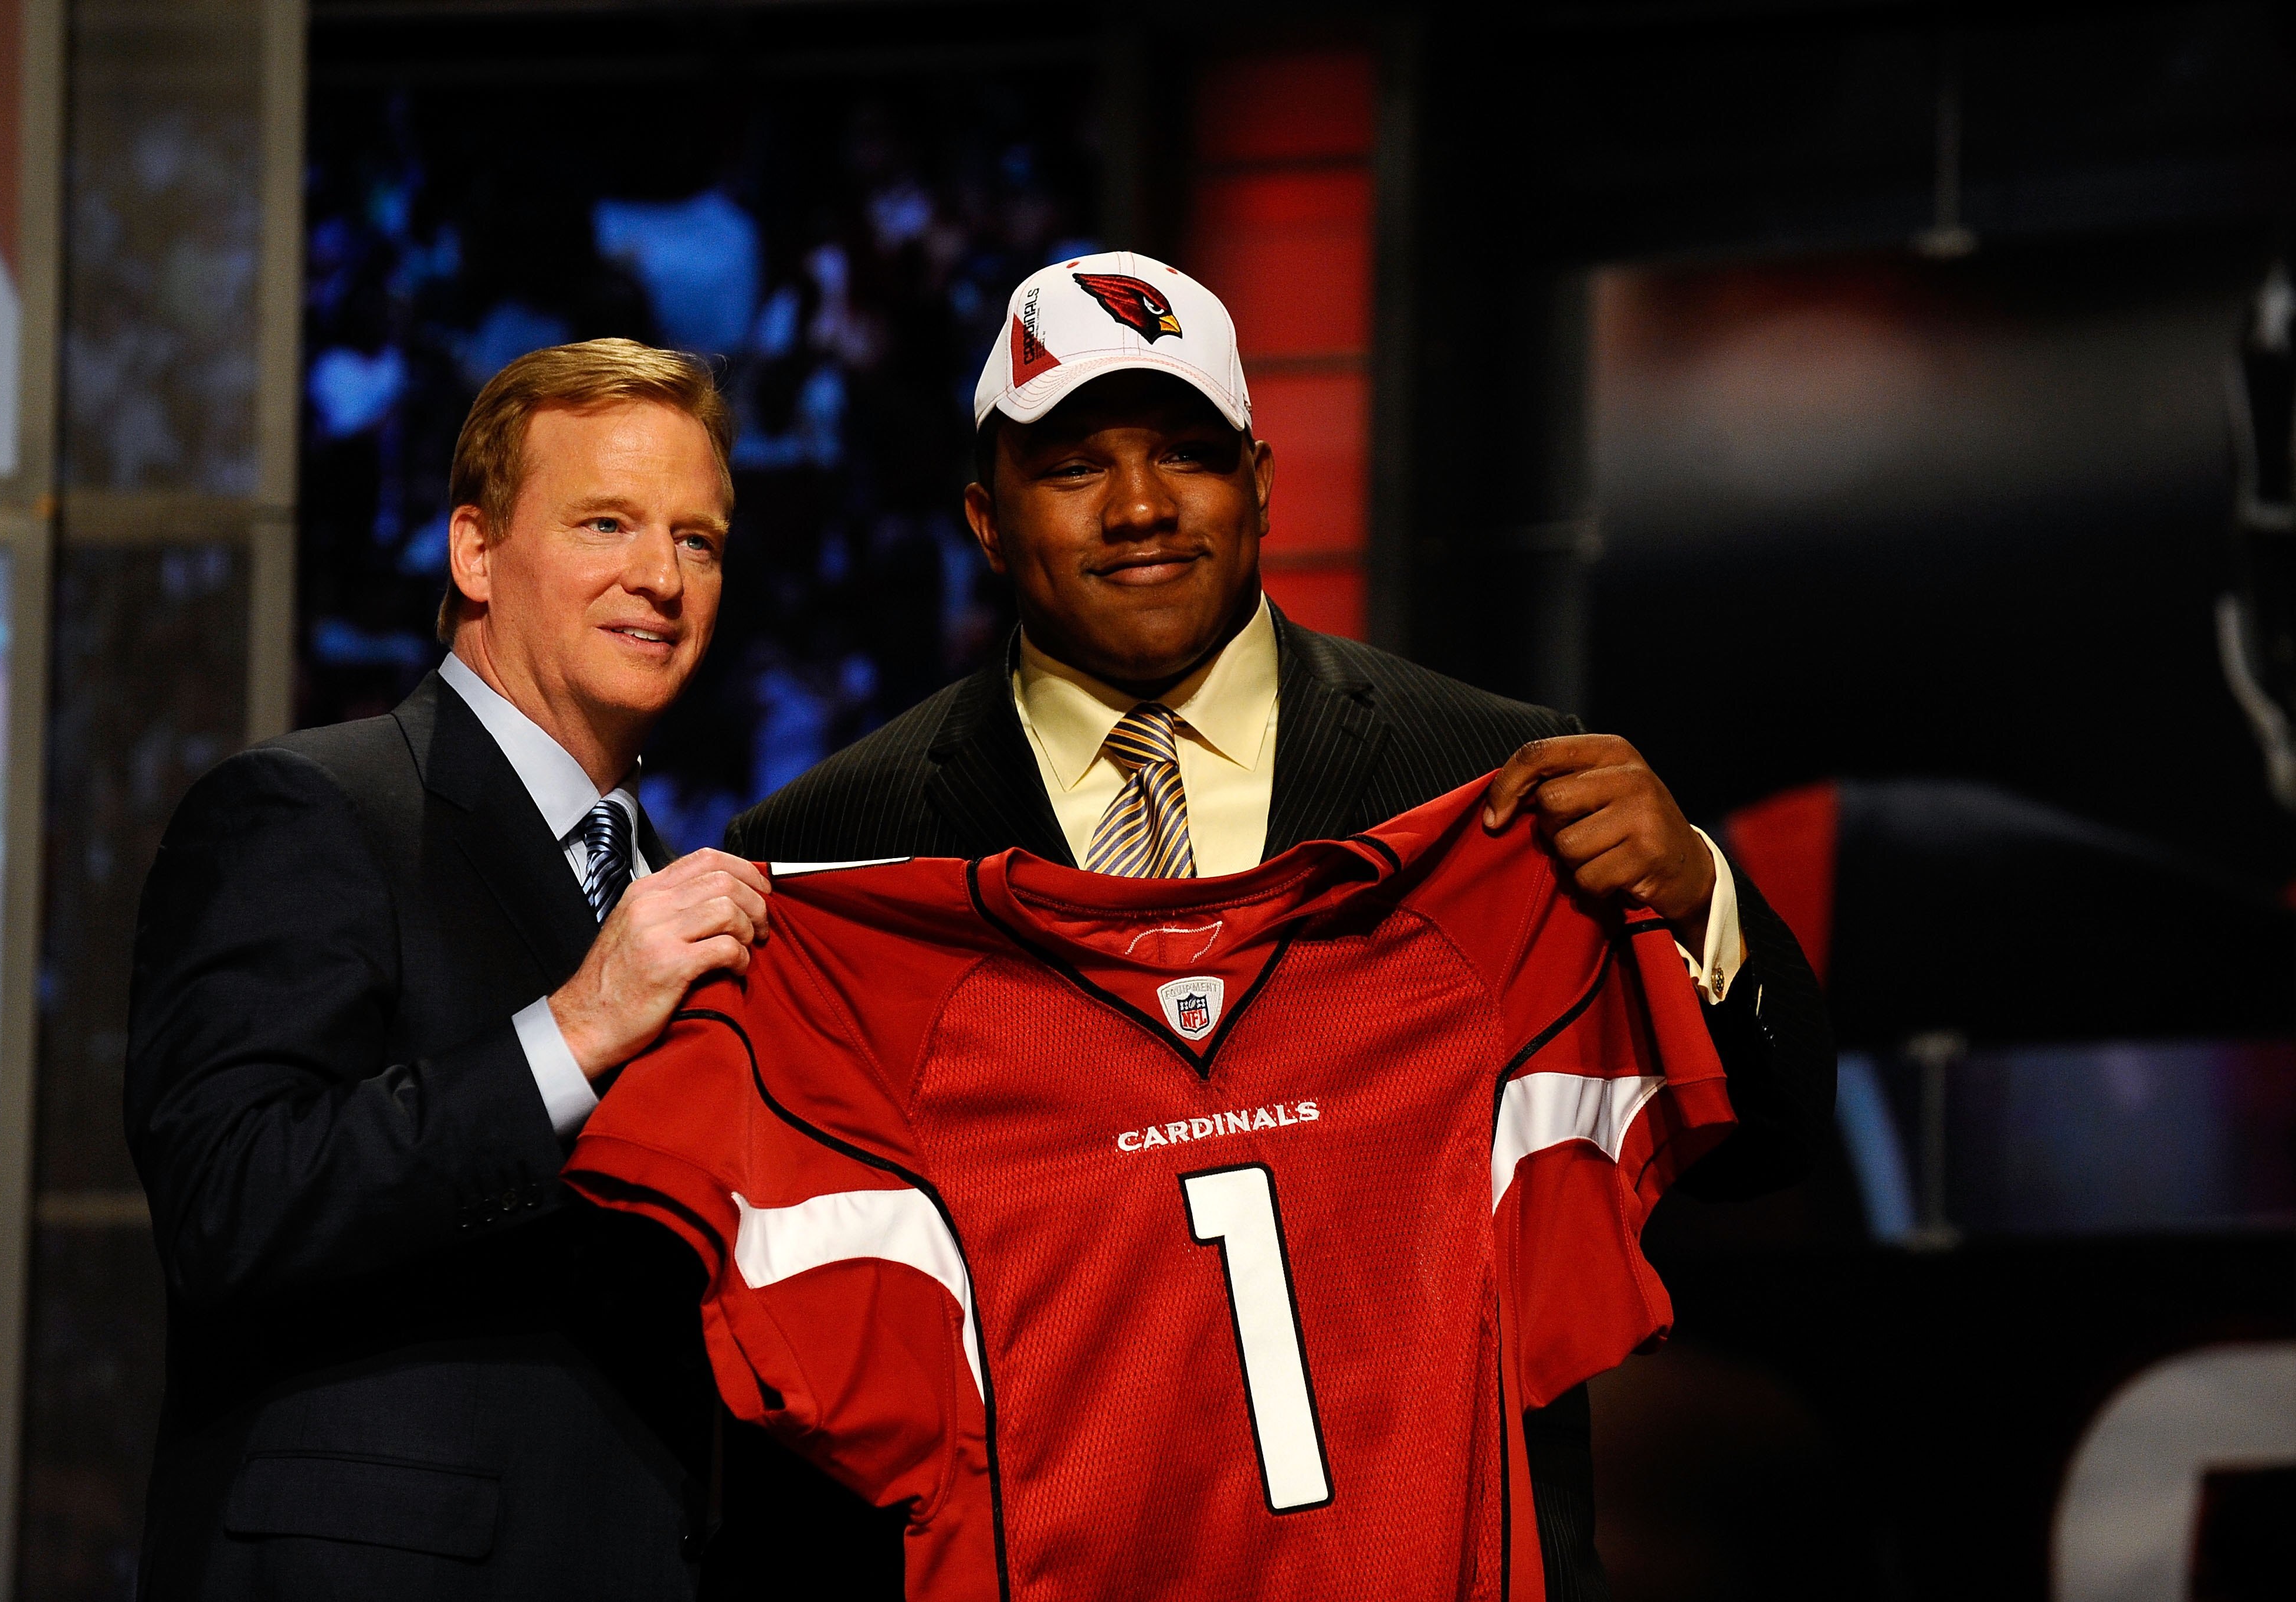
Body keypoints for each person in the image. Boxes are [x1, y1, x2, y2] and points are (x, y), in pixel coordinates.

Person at [715, 255, 1836, 1600]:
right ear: (984, 516)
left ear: (1258, 476)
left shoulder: (1496, 783)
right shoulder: (822, 862)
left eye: (1185, 452)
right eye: (1075, 467)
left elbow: (1764, 1147)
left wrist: (1698, 896)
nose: (1139, 507)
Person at [125, 340, 773, 1598]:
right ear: (475, 552)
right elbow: (228, 1200)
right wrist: (572, 1033)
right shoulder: (308, 809)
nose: (661, 576)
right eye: (607, 521)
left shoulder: (674, 894)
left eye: (699, 540)